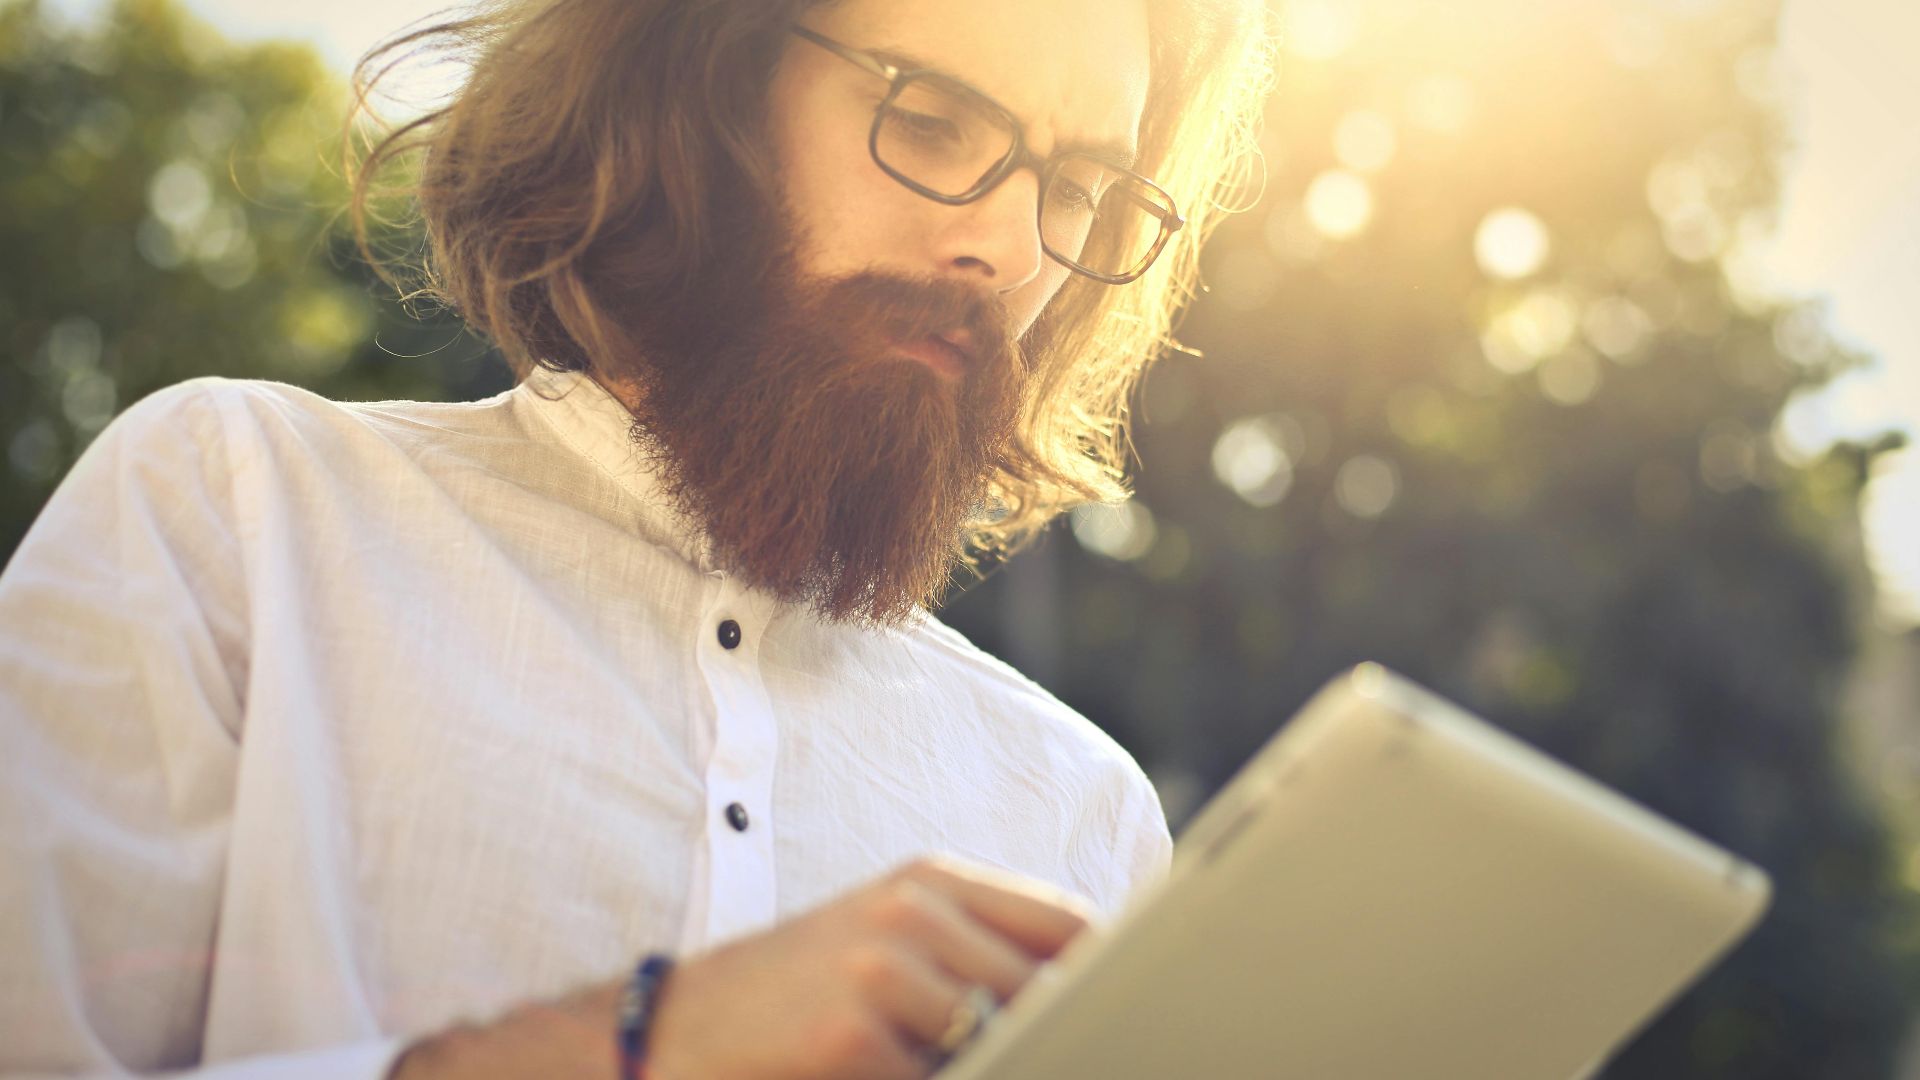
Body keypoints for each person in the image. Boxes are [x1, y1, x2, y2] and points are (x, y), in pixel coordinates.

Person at [0, 0, 1267, 1075]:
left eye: (1084, 187)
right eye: (933, 120)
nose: (1006, 245)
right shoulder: (235, 510)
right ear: (702, 81)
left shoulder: (1085, 819)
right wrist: (639, 1044)